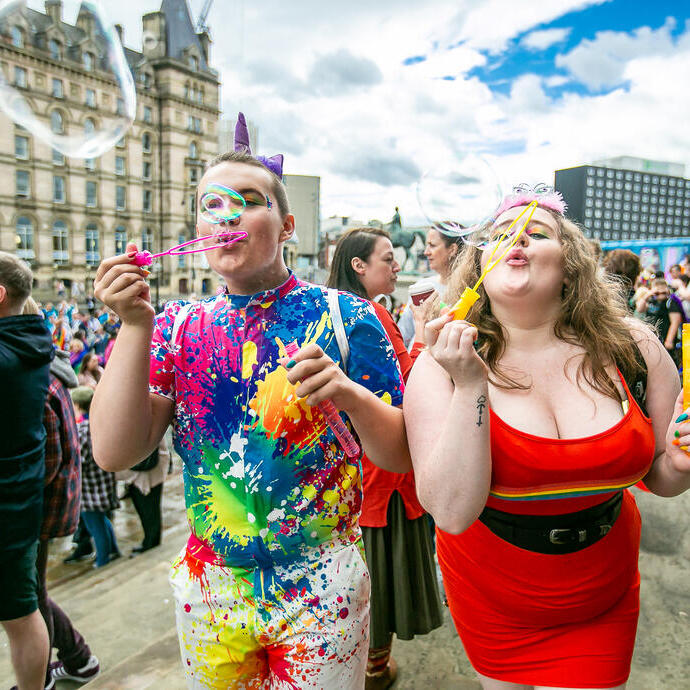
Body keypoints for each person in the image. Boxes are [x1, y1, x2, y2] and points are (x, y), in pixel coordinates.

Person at [90, 115, 409, 689]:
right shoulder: (177, 326)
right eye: (213, 204)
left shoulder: (348, 317)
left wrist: (347, 393)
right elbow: (115, 451)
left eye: (249, 201)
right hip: (212, 589)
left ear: (286, 225)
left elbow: (399, 455)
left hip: (321, 586)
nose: (229, 215)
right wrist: (134, 326)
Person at [404, 186, 690, 690]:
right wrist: (471, 382)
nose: (516, 241)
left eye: (536, 233)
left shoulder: (635, 347)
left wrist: (684, 464)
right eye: (500, 236)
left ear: (571, 264)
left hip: (604, 595)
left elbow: (663, 477)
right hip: (492, 599)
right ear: (479, 267)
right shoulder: (441, 366)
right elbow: (450, 511)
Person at [327, 227, 442, 689]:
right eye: (388, 258)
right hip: (382, 474)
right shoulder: (370, 315)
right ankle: (374, 669)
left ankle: (365, 665)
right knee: (382, 578)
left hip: (353, 470)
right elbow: (399, 394)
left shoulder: (331, 310)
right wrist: (424, 337)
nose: (397, 266)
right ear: (359, 266)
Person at [20, 299, 100, 688]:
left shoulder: (34, 374)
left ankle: (49, 673)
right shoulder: (44, 365)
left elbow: (45, 460)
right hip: (42, 507)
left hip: (32, 511)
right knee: (30, 595)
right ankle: (78, 658)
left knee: (26, 601)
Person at [0, 252, 54, 690]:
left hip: (4, 507)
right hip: (18, 504)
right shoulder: (30, 342)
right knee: (22, 610)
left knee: (20, 614)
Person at [70, 387, 121, 569]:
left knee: (95, 526)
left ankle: (103, 560)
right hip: (104, 481)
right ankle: (113, 549)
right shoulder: (100, 424)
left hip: (88, 488)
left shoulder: (80, 430)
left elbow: (78, 461)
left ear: (76, 405)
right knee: (102, 520)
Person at [398, 224, 464, 347]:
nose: (426, 252)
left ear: (452, 249)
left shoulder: (466, 293)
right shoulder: (421, 286)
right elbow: (403, 333)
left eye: (432, 245)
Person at [117, 438, 170, 556]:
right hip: (141, 471)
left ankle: (151, 544)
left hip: (149, 471)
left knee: (150, 512)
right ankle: (148, 542)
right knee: (145, 511)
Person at [635, 278, 684, 366]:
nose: (660, 295)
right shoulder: (650, 300)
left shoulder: (670, 302)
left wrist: (669, 340)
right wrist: (647, 295)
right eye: (657, 293)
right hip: (651, 340)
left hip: (665, 340)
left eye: (663, 293)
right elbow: (639, 309)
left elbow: (675, 321)